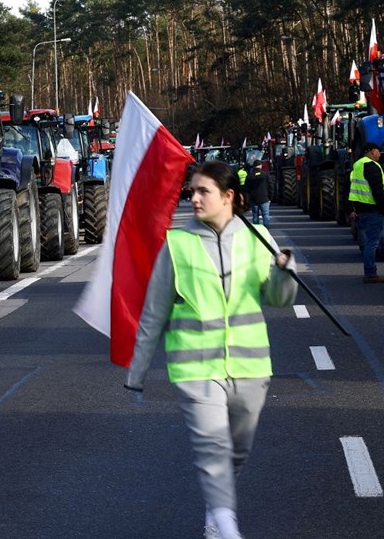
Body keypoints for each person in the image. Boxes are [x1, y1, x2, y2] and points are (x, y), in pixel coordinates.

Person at [125, 160, 297, 539]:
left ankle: (216, 508)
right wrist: (137, 372)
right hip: (194, 368)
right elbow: (154, 311)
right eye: (192, 191)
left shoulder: (258, 237)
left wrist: (285, 269)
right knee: (212, 447)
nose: (195, 198)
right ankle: (226, 527)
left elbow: (279, 300)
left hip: (250, 367)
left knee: (236, 452)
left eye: (203, 191)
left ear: (228, 197)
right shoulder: (178, 244)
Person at [347, 142, 384, 283]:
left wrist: (352, 208)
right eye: (378, 151)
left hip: (362, 210)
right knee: (373, 243)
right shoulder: (372, 166)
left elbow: (351, 189)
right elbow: (378, 189)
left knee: (375, 241)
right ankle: (370, 273)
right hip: (374, 209)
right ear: (371, 151)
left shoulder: (357, 165)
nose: (379, 154)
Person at [243, 161, 271, 227]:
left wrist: (247, 200)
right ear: (260, 165)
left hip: (254, 199)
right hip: (264, 198)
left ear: (253, 166)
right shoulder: (266, 174)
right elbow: (270, 185)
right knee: (265, 214)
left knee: (255, 215)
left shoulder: (250, 176)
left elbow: (246, 189)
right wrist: (270, 197)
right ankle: (266, 229)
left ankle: (257, 230)